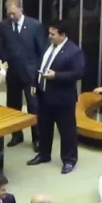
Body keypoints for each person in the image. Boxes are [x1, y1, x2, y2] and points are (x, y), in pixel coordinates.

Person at [29, 16, 86, 173]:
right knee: (44, 127)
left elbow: (78, 73)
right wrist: (35, 83)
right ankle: (44, 154)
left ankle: (69, 160)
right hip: (44, 95)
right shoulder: (48, 45)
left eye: (53, 34)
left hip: (63, 99)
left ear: (62, 35)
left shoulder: (74, 51)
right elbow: (40, 64)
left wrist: (56, 76)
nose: (49, 36)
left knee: (66, 131)